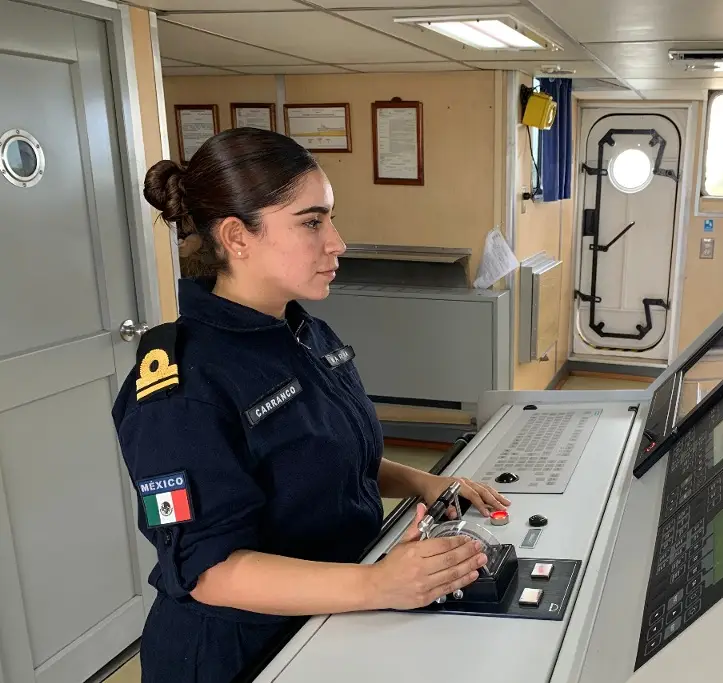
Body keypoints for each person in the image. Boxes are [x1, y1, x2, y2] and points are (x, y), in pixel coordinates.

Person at [111, 127, 510, 683]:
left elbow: (328, 455)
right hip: (239, 651)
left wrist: (426, 484)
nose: (337, 241)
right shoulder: (179, 388)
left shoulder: (304, 332)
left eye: (330, 218)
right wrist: (378, 585)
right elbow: (206, 571)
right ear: (237, 236)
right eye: (311, 221)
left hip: (332, 612)